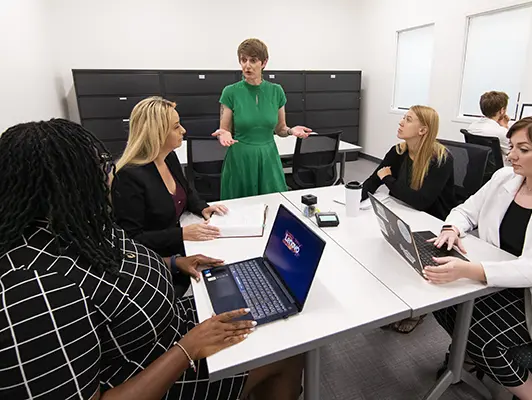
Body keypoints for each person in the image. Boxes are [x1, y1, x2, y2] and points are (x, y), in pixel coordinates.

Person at [0, 119, 304, 400]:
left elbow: (124, 257)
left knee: (275, 321)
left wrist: (173, 264)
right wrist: (188, 349)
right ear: (67, 185)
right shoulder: (34, 286)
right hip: (162, 365)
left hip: (173, 326)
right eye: (99, 168)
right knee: (285, 351)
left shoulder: (79, 225)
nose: (109, 175)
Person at [427, 114, 532, 400]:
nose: (511, 156)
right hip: (505, 277)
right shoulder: (506, 178)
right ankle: (466, 356)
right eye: (512, 146)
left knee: (485, 339)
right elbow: (466, 210)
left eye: (523, 149)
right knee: (441, 303)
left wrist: (469, 270)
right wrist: (451, 228)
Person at [112, 97, 225, 296]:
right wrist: (182, 234)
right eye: (176, 126)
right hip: (156, 264)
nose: (183, 130)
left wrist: (201, 207)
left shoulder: (168, 156)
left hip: (181, 247)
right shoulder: (129, 177)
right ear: (156, 133)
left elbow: (186, 191)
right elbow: (132, 239)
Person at [362, 105, 457, 333]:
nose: (401, 123)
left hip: (431, 221)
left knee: (408, 258)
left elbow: (421, 201)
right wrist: (354, 196)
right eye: (403, 118)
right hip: (401, 211)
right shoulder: (398, 151)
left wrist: (389, 180)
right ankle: (391, 299)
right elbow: (373, 181)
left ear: (423, 130)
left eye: (408, 119)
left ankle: (418, 309)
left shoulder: (441, 158)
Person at [212, 38, 312, 200]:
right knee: (241, 207)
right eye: (243, 60)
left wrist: (291, 130)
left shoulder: (276, 91)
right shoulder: (230, 92)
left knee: (272, 203)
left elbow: (280, 129)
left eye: (253, 60)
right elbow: (224, 129)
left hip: (268, 156)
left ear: (264, 62)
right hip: (241, 157)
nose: (247, 65)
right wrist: (224, 134)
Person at [467, 91, 511, 166]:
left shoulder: (471, 127)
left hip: (477, 170)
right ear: (502, 110)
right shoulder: (501, 132)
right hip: (500, 173)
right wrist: (505, 128)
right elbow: (514, 154)